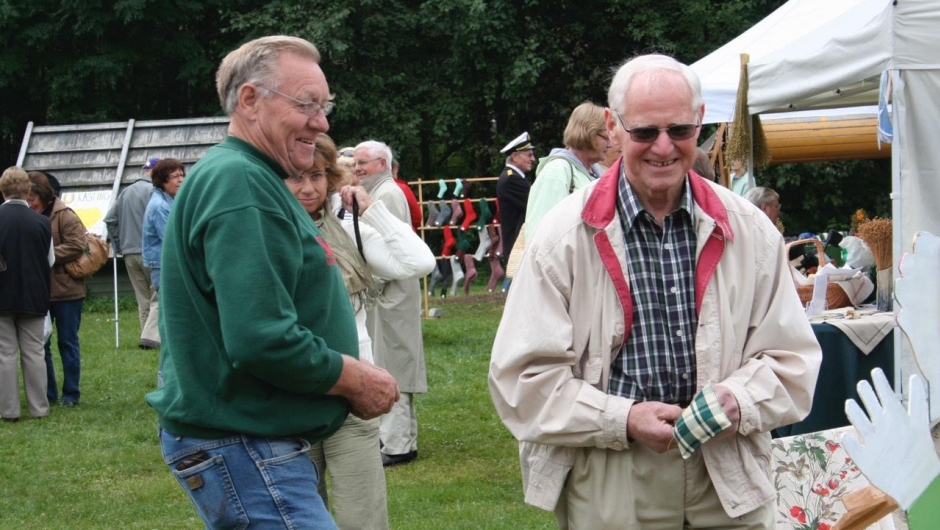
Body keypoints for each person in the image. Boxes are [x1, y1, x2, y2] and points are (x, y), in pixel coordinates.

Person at [488, 54, 822, 530]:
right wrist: (621, 418)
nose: (663, 147)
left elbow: (793, 360)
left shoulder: (750, 231)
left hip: (724, 471)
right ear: (613, 127)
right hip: (612, 473)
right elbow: (521, 382)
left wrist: (737, 399)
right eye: (645, 132)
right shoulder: (563, 236)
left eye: (680, 131)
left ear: (700, 120)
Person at [144, 35, 399, 529]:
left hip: (248, 439)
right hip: (242, 441)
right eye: (306, 104)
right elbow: (261, 337)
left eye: (324, 106)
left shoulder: (248, 175)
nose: (321, 122)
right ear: (250, 100)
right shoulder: (241, 182)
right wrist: (355, 377)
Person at [287, 134, 434, 530]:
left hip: (353, 394)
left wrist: (372, 212)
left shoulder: (347, 230)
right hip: (291, 400)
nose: (308, 187)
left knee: (363, 519)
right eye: (296, 176)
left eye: (317, 175)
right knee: (301, 519)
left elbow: (419, 262)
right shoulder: (266, 233)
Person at [353, 140, 426, 466]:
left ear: (382, 163)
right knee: (391, 363)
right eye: (355, 163)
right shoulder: (381, 192)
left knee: (392, 367)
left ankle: (397, 445)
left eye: (363, 163)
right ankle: (400, 441)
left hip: (390, 295)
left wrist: (368, 287)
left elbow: (390, 247)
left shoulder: (388, 195)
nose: (356, 169)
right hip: (388, 295)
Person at [26, 171, 86, 408]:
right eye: (27, 198)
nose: (30, 202)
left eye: (33, 198)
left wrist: (44, 253)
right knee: (42, 343)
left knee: (68, 342)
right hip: (41, 290)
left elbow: (77, 245)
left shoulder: (65, 215)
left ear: (44, 195)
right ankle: (48, 392)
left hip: (68, 292)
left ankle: (71, 394)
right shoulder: (31, 216)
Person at [0, 167, 54, 422]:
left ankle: (9, 410)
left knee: (5, 354)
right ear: (28, 191)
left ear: (3, 191)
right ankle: (39, 408)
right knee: (34, 353)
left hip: (2, 296)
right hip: (34, 294)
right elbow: (50, 260)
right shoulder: (42, 222)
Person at [525, 102, 609, 243]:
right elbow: (539, 237)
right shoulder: (556, 171)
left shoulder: (596, 172)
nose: (611, 143)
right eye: (606, 137)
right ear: (590, 134)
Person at [104, 157, 160, 349]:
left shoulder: (125, 192)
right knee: (157, 296)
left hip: (128, 252)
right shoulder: (155, 192)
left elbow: (110, 219)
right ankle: (152, 338)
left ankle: (146, 337)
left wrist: (118, 245)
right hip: (150, 251)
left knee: (142, 298)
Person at [496, 131, 536, 291]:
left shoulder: (514, 178)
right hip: (518, 247)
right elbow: (534, 206)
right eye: (529, 155)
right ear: (514, 156)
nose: (533, 159)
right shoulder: (511, 180)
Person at [392, 159, 422, 231]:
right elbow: (417, 216)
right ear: (394, 171)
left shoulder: (368, 188)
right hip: (404, 231)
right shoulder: (403, 188)